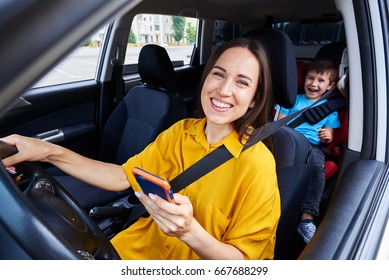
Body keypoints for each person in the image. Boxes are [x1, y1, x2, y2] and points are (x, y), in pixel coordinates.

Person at [1, 37, 280, 260]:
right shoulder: (179, 133)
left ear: (254, 100)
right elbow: (121, 177)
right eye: (218, 75)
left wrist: (189, 232)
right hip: (127, 254)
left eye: (242, 82)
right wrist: (46, 151)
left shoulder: (257, 164)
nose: (224, 90)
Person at [277, 59, 340, 244]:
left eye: (321, 80)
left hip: (312, 146)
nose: (313, 84)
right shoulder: (293, 100)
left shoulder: (330, 109)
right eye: (310, 78)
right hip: (287, 140)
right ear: (304, 79)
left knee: (317, 168)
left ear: (331, 85)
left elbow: (330, 133)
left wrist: (327, 135)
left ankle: (307, 217)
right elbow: (279, 122)